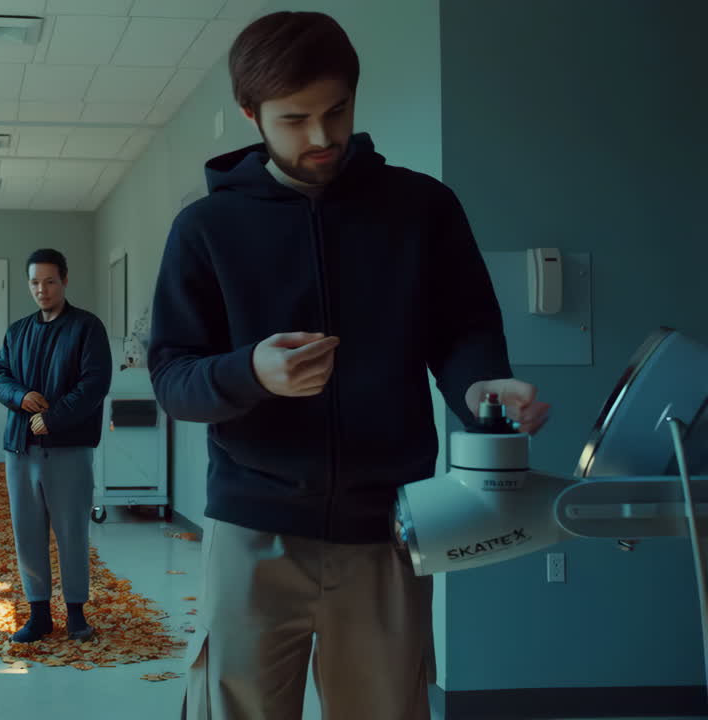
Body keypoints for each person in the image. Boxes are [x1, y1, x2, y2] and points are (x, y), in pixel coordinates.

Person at [146, 11, 552, 720]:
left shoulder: (423, 208)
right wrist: (252, 374)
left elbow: (463, 332)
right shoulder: (206, 230)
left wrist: (479, 386)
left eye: (337, 111)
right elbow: (174, 378)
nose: (322, 137)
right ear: (251, 114)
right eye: (295, 119)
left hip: (386, 528)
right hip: (252, 529)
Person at [0, 248, 113, 643]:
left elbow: (94, 385)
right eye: (34, 282)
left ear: (64, 281)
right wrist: (20, 396)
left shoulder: (87, 328)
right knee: (27, 532)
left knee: (71, 531)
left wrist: (54, 418)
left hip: (69, 449)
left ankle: (76, 614)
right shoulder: (17, 331)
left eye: (49, 281)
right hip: (20, 450)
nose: (41, 290)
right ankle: (39, 613)